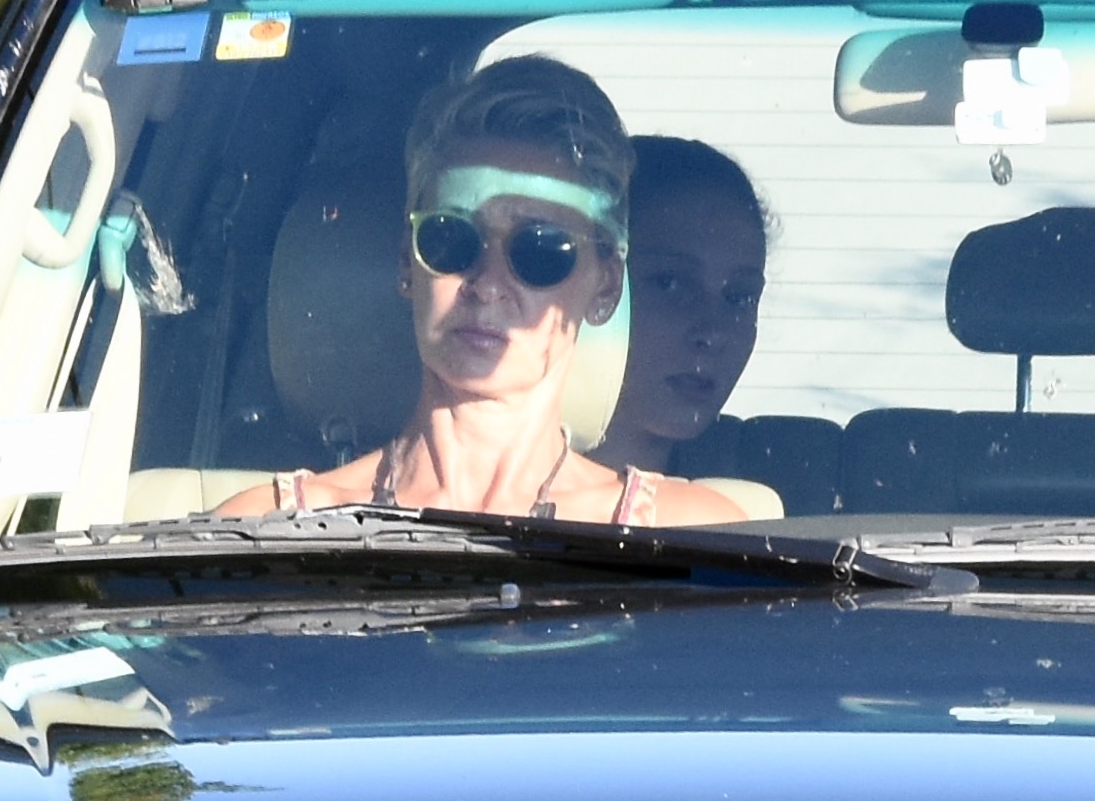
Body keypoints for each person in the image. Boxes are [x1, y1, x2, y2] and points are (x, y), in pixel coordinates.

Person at [219, 57, 746, 526]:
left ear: (605, 285)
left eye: (542, 251)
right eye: (451, 239)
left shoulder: (689, 537)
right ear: (407, 261)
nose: (489, 285)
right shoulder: (257, 532)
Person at [592, 137, 769, 475]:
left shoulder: (758, 498)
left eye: (739, 297)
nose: (713, 333)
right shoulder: (487, 489)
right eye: (669, 283)